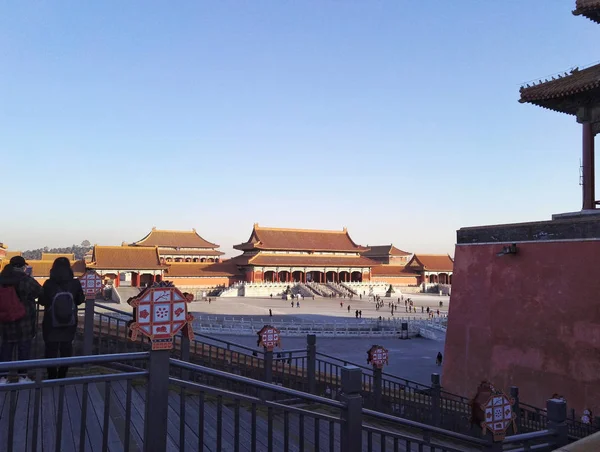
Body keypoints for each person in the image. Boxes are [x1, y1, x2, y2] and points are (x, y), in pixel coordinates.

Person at [39, 257, 85, 379]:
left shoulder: (49, 284)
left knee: (51, 349)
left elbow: (42, 301)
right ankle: (62, 374)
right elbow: (80, 300)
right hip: (69, 322)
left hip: (51, 322)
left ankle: (52, 375)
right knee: (66, 348)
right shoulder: (75, 283)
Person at [0, 256, 43, 383]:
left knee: (6, 350)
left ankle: (3, 377)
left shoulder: (2, 280)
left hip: (6, 321)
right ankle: (23, 376)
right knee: (24, 349)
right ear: (23, 267)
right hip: (24, 321)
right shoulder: (26, 280)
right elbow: (40, 292)